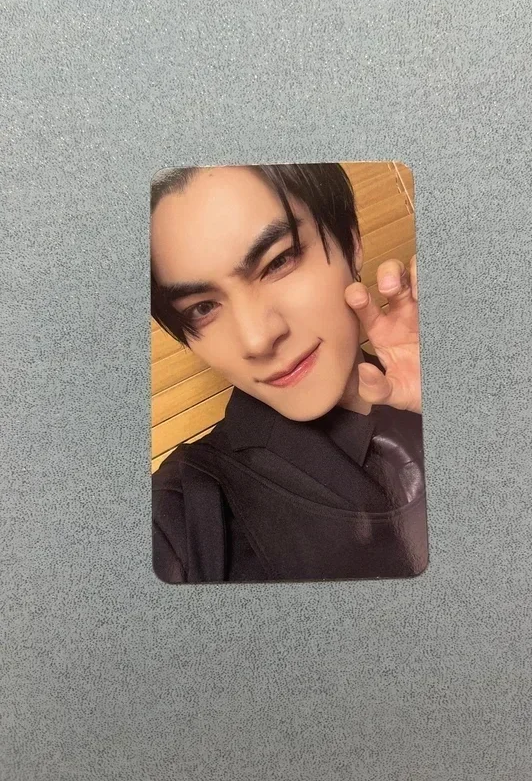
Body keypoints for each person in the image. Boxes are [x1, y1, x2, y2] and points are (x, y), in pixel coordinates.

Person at [150, 163, 427, 583]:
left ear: (351, 241)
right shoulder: (179, 520)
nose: (257, 338)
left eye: (278, 261)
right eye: (202, 308)